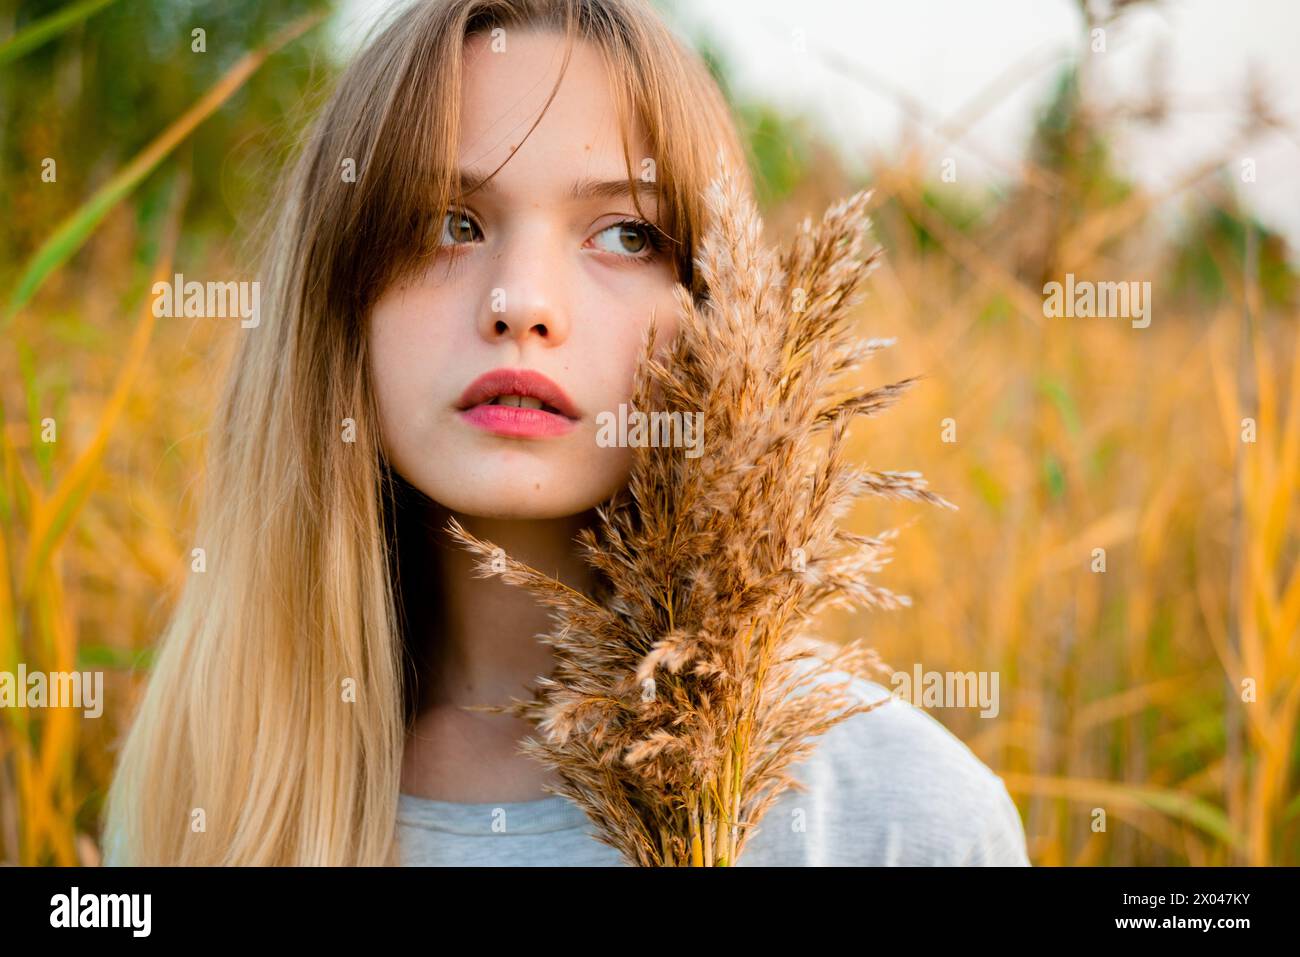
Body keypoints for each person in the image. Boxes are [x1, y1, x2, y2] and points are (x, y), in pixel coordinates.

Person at [104, 0, 1029, 867]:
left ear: (718, 310)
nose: (522, 304)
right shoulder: (205, 791)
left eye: (627, 235)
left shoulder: (900, 816)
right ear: (335, 296)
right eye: (448, 224)